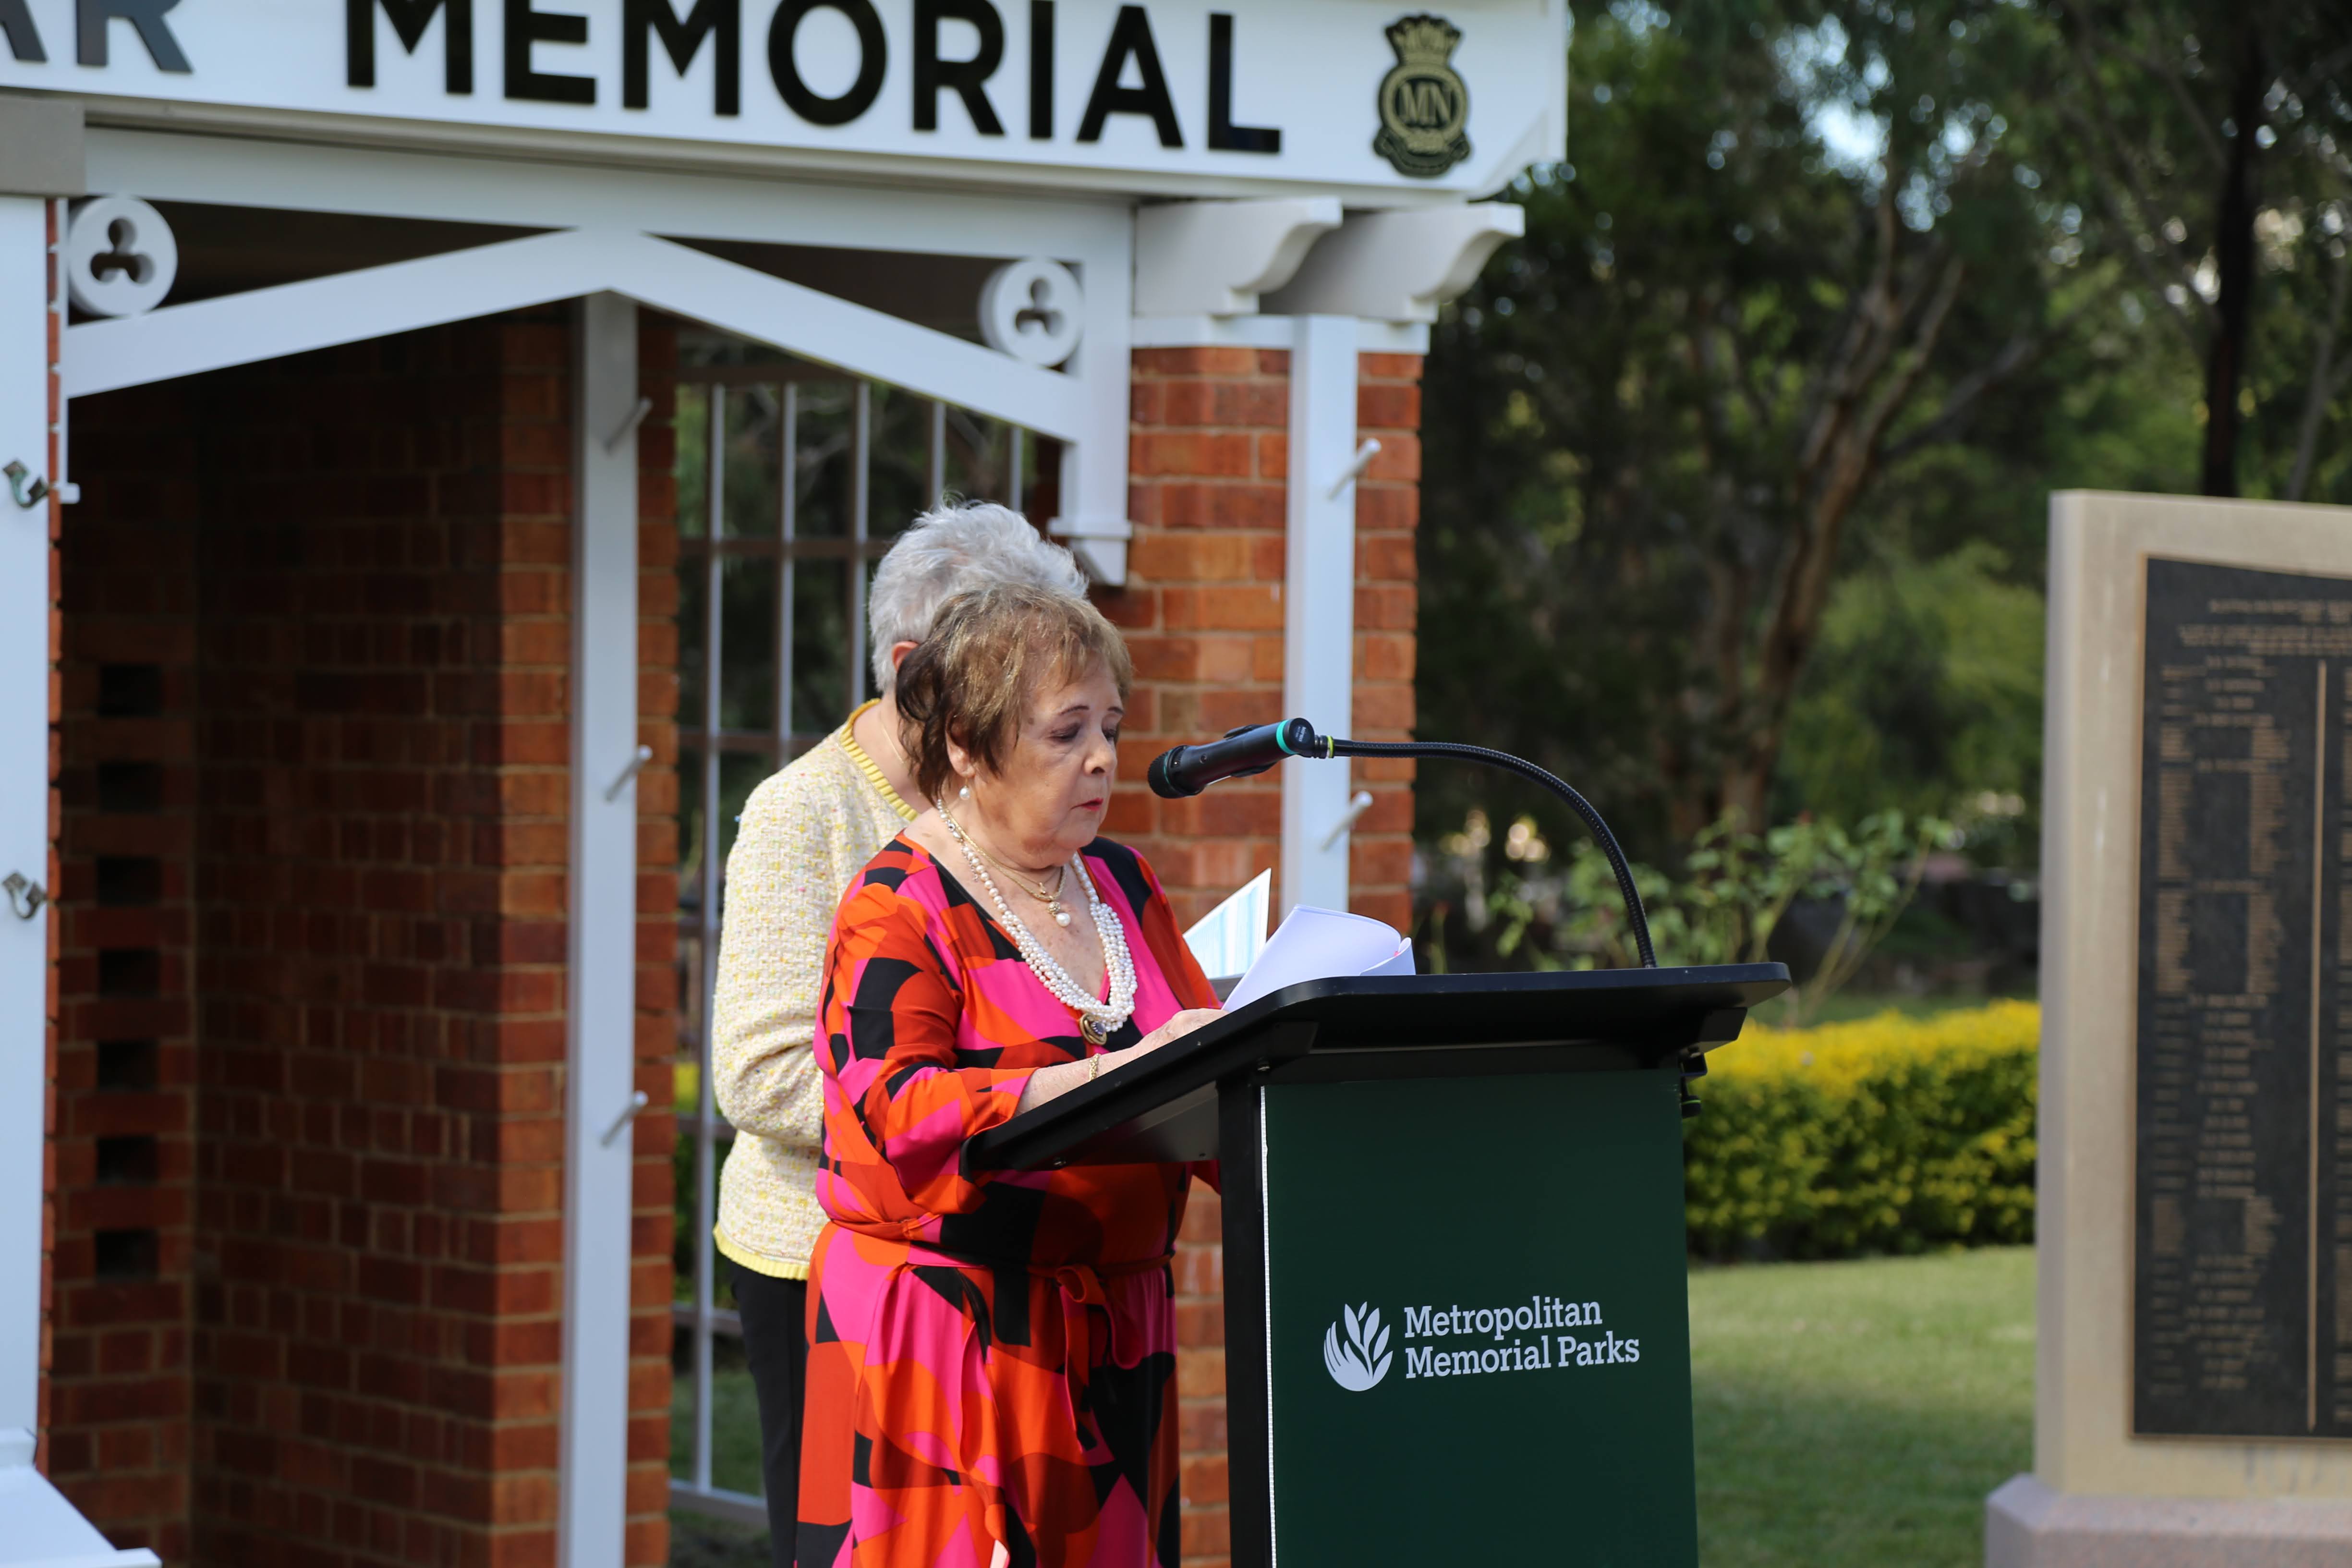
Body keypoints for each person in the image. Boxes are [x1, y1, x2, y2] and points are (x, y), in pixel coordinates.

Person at [798, 583, 1224, 1568]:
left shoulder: (1124, 882)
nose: (1104, 758)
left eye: (1110, 727)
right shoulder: (897, 903)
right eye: (1065, 731)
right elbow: (891, 1111)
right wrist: (1117, 1075)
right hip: (951, 1345)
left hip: (1117, 1334)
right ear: (962, 741)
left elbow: (1199, 1059)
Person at [709, 503, 1091, 1568]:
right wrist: (990, 1106)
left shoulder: (1014, 801)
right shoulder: (805, 812)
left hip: (996, 1244)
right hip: (824, 1266)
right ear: (916, 667)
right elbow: (758, 1072)